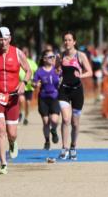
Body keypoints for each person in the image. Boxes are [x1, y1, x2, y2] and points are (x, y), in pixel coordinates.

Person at [0, 26, 32, 174]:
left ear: (10, 38)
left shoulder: (18, 53)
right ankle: (3, 163)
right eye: (0, 40)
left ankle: (12, 142)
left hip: (12, 96)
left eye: (5, 39)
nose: (2, 42)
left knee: (12, 133)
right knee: (0, 127)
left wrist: (23, 83)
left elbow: (28, 70)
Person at [57, 31, 93, 160]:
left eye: (69, 40)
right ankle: (64, 147)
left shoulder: (80, 55)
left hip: (77, 91)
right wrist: (58, 72)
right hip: (64, 90)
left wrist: (80, 75)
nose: (67, 42)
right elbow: (57, 71)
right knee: (66, 119)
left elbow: (90, 72)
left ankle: (73, 146)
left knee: (75, 122)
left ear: (74, 42)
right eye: (65, 40)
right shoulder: (60, 56)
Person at [33, 50, 62, 160]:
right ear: (44, 59)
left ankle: (53, 131)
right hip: (43, 99)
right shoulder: (39, 71)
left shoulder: (57, 70)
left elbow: (63, 78)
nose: (52, 58)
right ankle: (47, 141)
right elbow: (34, 82)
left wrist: (61, 80)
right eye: (50, 57)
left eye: (53, 56)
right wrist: (35, 84)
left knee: (54, 120)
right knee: (46, 122)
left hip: (54, 98)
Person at [19, 47, 38, 126]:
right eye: (23, 52)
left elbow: (37, 72)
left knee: (28, 103)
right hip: (20, 85)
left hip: (29, 86)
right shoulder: (18, 61)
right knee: (21, 100)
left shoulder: (32, 62)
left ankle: (26, 117)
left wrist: (35, 80)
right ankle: (20, 113)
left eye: (26, 52)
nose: (25, 53)